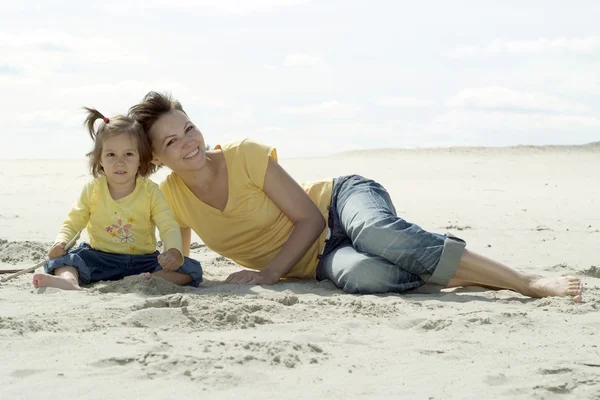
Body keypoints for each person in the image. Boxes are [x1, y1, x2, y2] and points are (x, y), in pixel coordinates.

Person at [127, 91, 582, 302]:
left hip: (339, 205)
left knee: (377, 231)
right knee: (368, 276)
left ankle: (524, 281)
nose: (190, 143)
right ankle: (467, 273)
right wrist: (149, 276)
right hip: (321, 261)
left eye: (189, 128)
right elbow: (180, 261)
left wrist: (268, 274)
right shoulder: (172, 199)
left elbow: (308, 218)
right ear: (156, 159)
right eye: (172, 142)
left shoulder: (243, 154)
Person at [33, 108, 203, 290]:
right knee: (63, 260)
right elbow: (74, 221)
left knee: (191, 270)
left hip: (143, 261)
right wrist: (61, 242)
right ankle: (69, 281)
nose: (119, 162)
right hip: (99, 258)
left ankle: (150, 278)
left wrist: (174, 250)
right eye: (111, 155)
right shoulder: (93, 190)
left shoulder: (150, 191)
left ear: (140, 158)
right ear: (100, 160)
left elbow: (167, 224)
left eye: (128, 154)